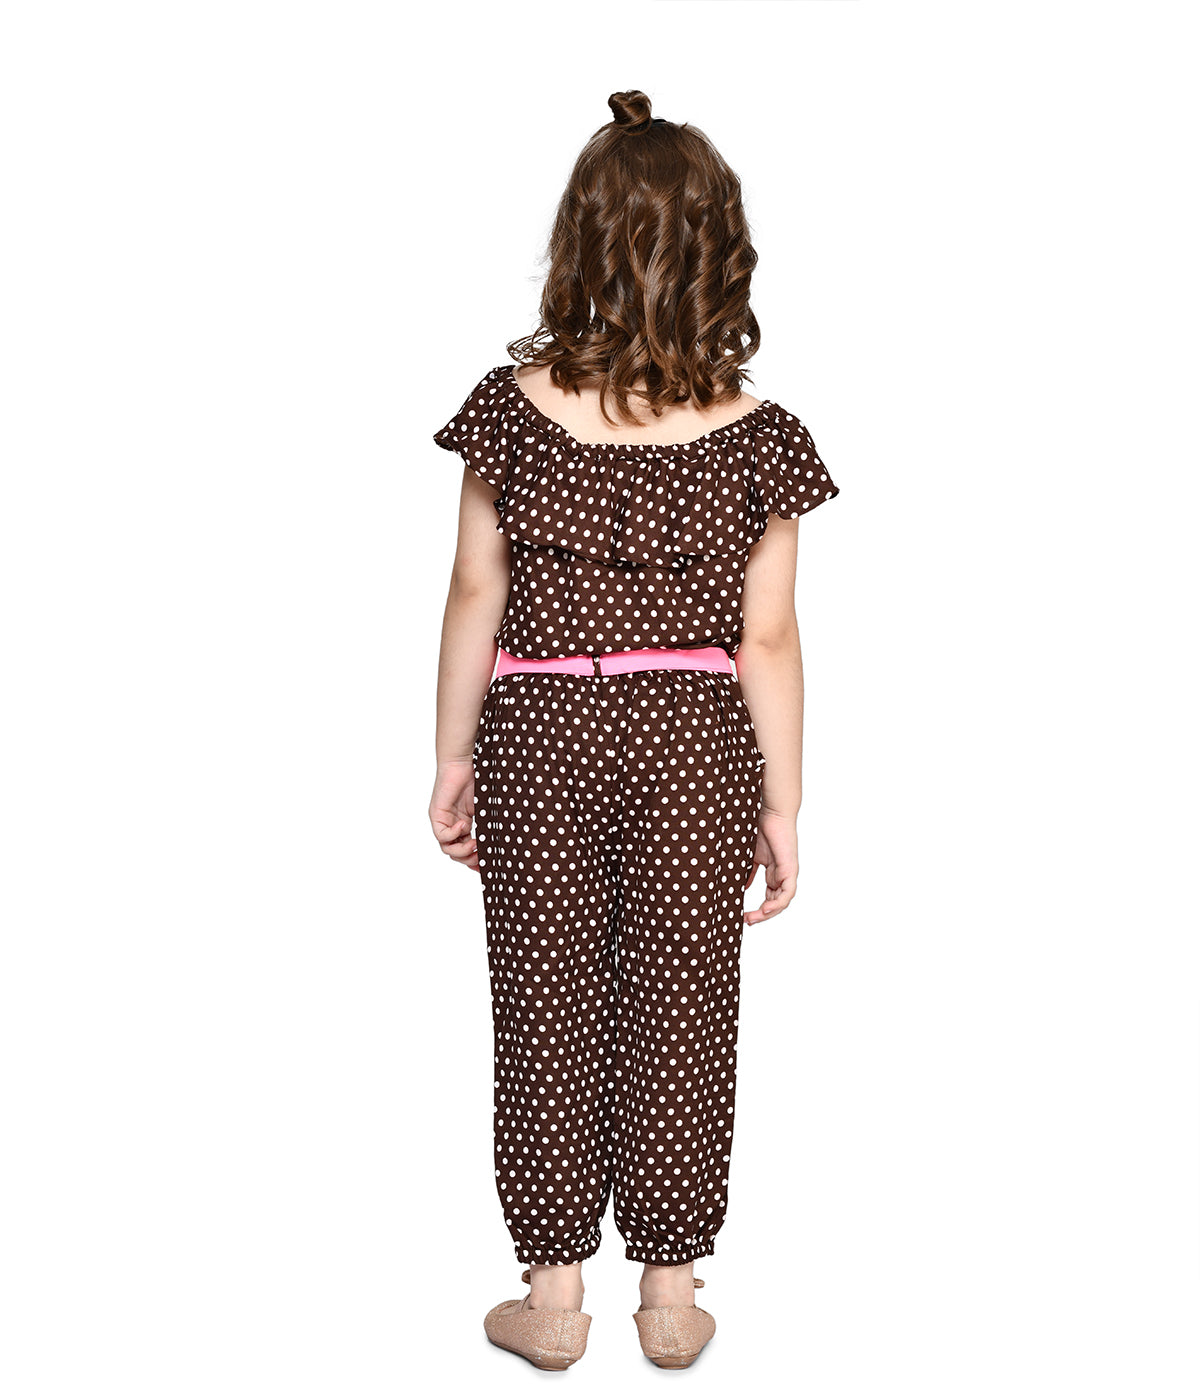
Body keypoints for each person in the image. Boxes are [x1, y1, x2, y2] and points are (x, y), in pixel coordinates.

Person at [428, 89, 840, 1370]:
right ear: (724, 254)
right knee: (683, 1002)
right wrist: (783, 802)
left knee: (542, 999)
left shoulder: (509, 410)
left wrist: (452, 754)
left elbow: (474, 591)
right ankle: (670, 1288)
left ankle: (553, 1291)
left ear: (579, 246)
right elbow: (768, 639)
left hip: (541, 725)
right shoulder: (763, 441)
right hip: (696, 742)